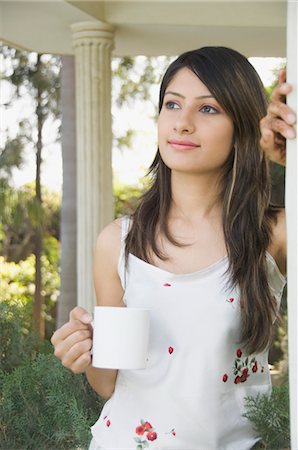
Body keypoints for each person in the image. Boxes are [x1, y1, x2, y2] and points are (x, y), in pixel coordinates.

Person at [51, 47, 296, 450]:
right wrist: (86, 350)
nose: (182, 123)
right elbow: (108, 383)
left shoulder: (273, 233)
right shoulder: (119, 241)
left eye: (208, 109)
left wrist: (286, 159)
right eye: (172, 104)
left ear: (245, 127)